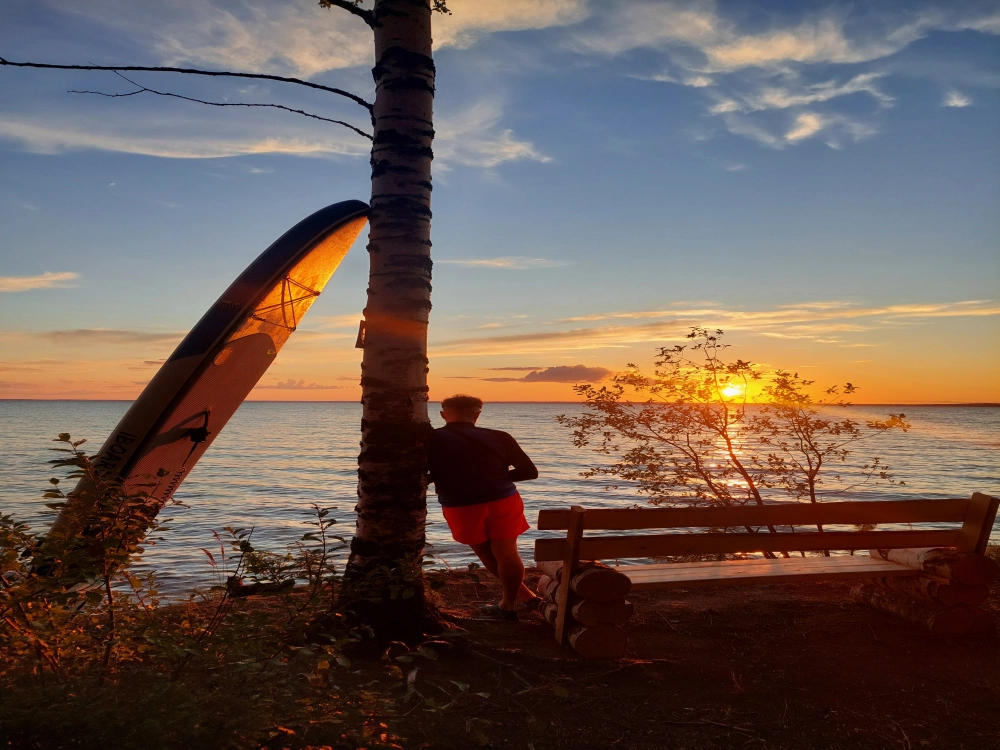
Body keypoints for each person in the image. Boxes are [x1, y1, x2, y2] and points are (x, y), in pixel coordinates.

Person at [428, 394, 542, 621]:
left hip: (462, 505)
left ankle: (514, 604)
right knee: (508, 554)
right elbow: (530, 472)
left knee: (485, 553)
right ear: (477, 415)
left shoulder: (432, 439)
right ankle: (516, 601)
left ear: (443, 414)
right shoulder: (499, 436)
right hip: (504, 499)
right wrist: (496, 477)